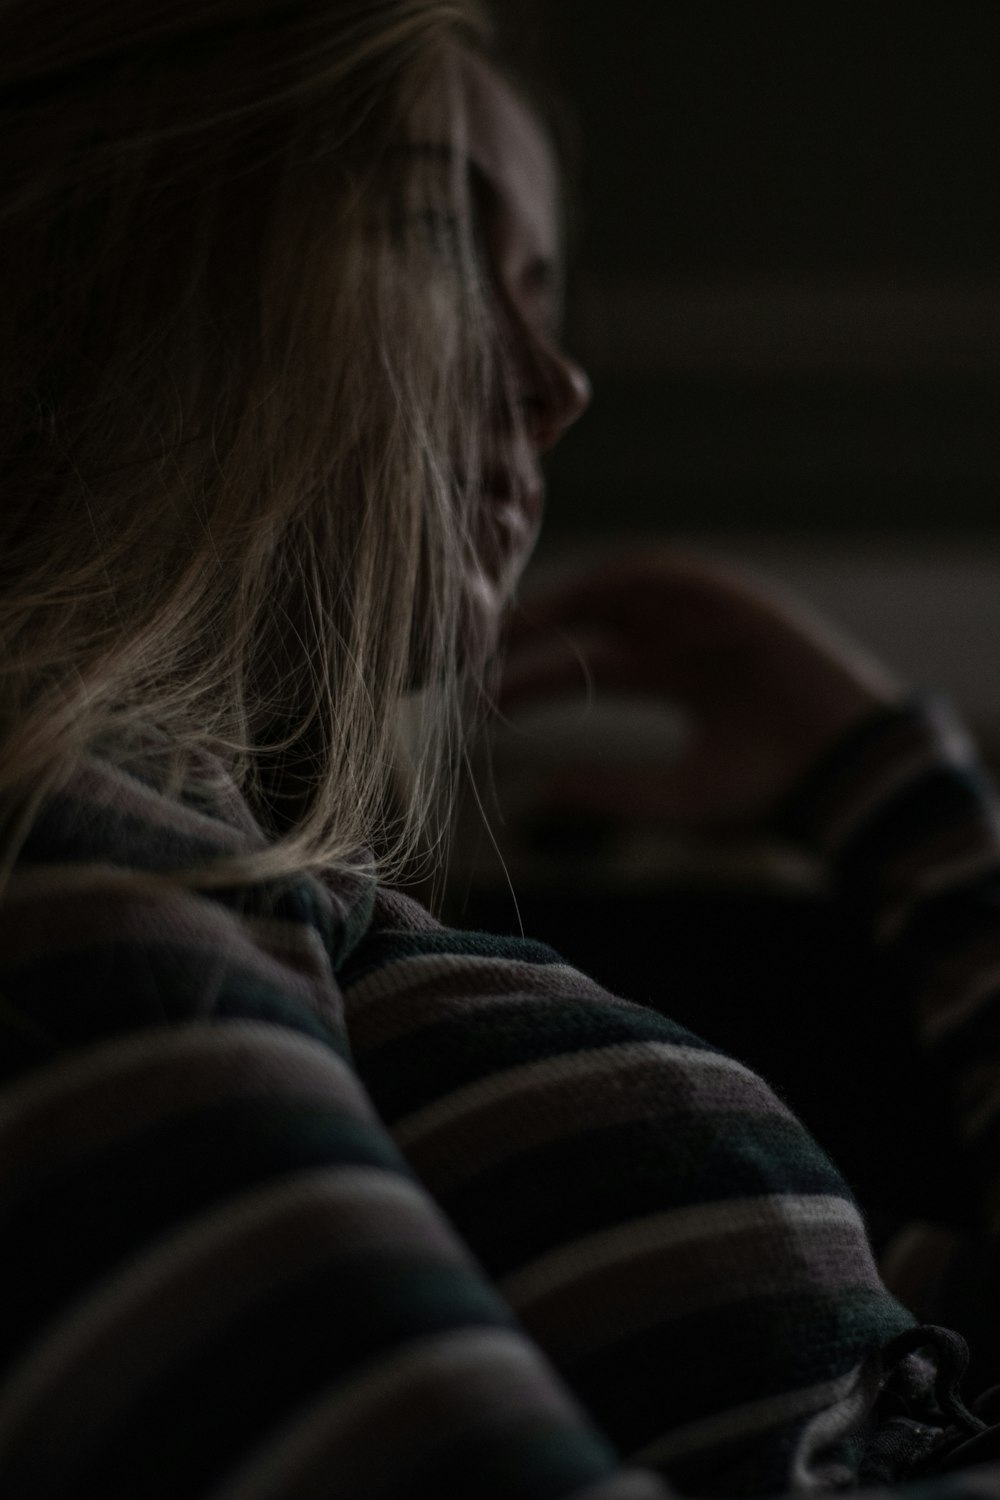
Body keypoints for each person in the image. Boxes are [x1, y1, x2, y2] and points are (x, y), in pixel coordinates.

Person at [1, 3, 1000, 1496]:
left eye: (548, 288)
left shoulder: (289, 931)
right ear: (118, 252)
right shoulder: (66, 834)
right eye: (442, 237)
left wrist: (900, 798)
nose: (562, 386)